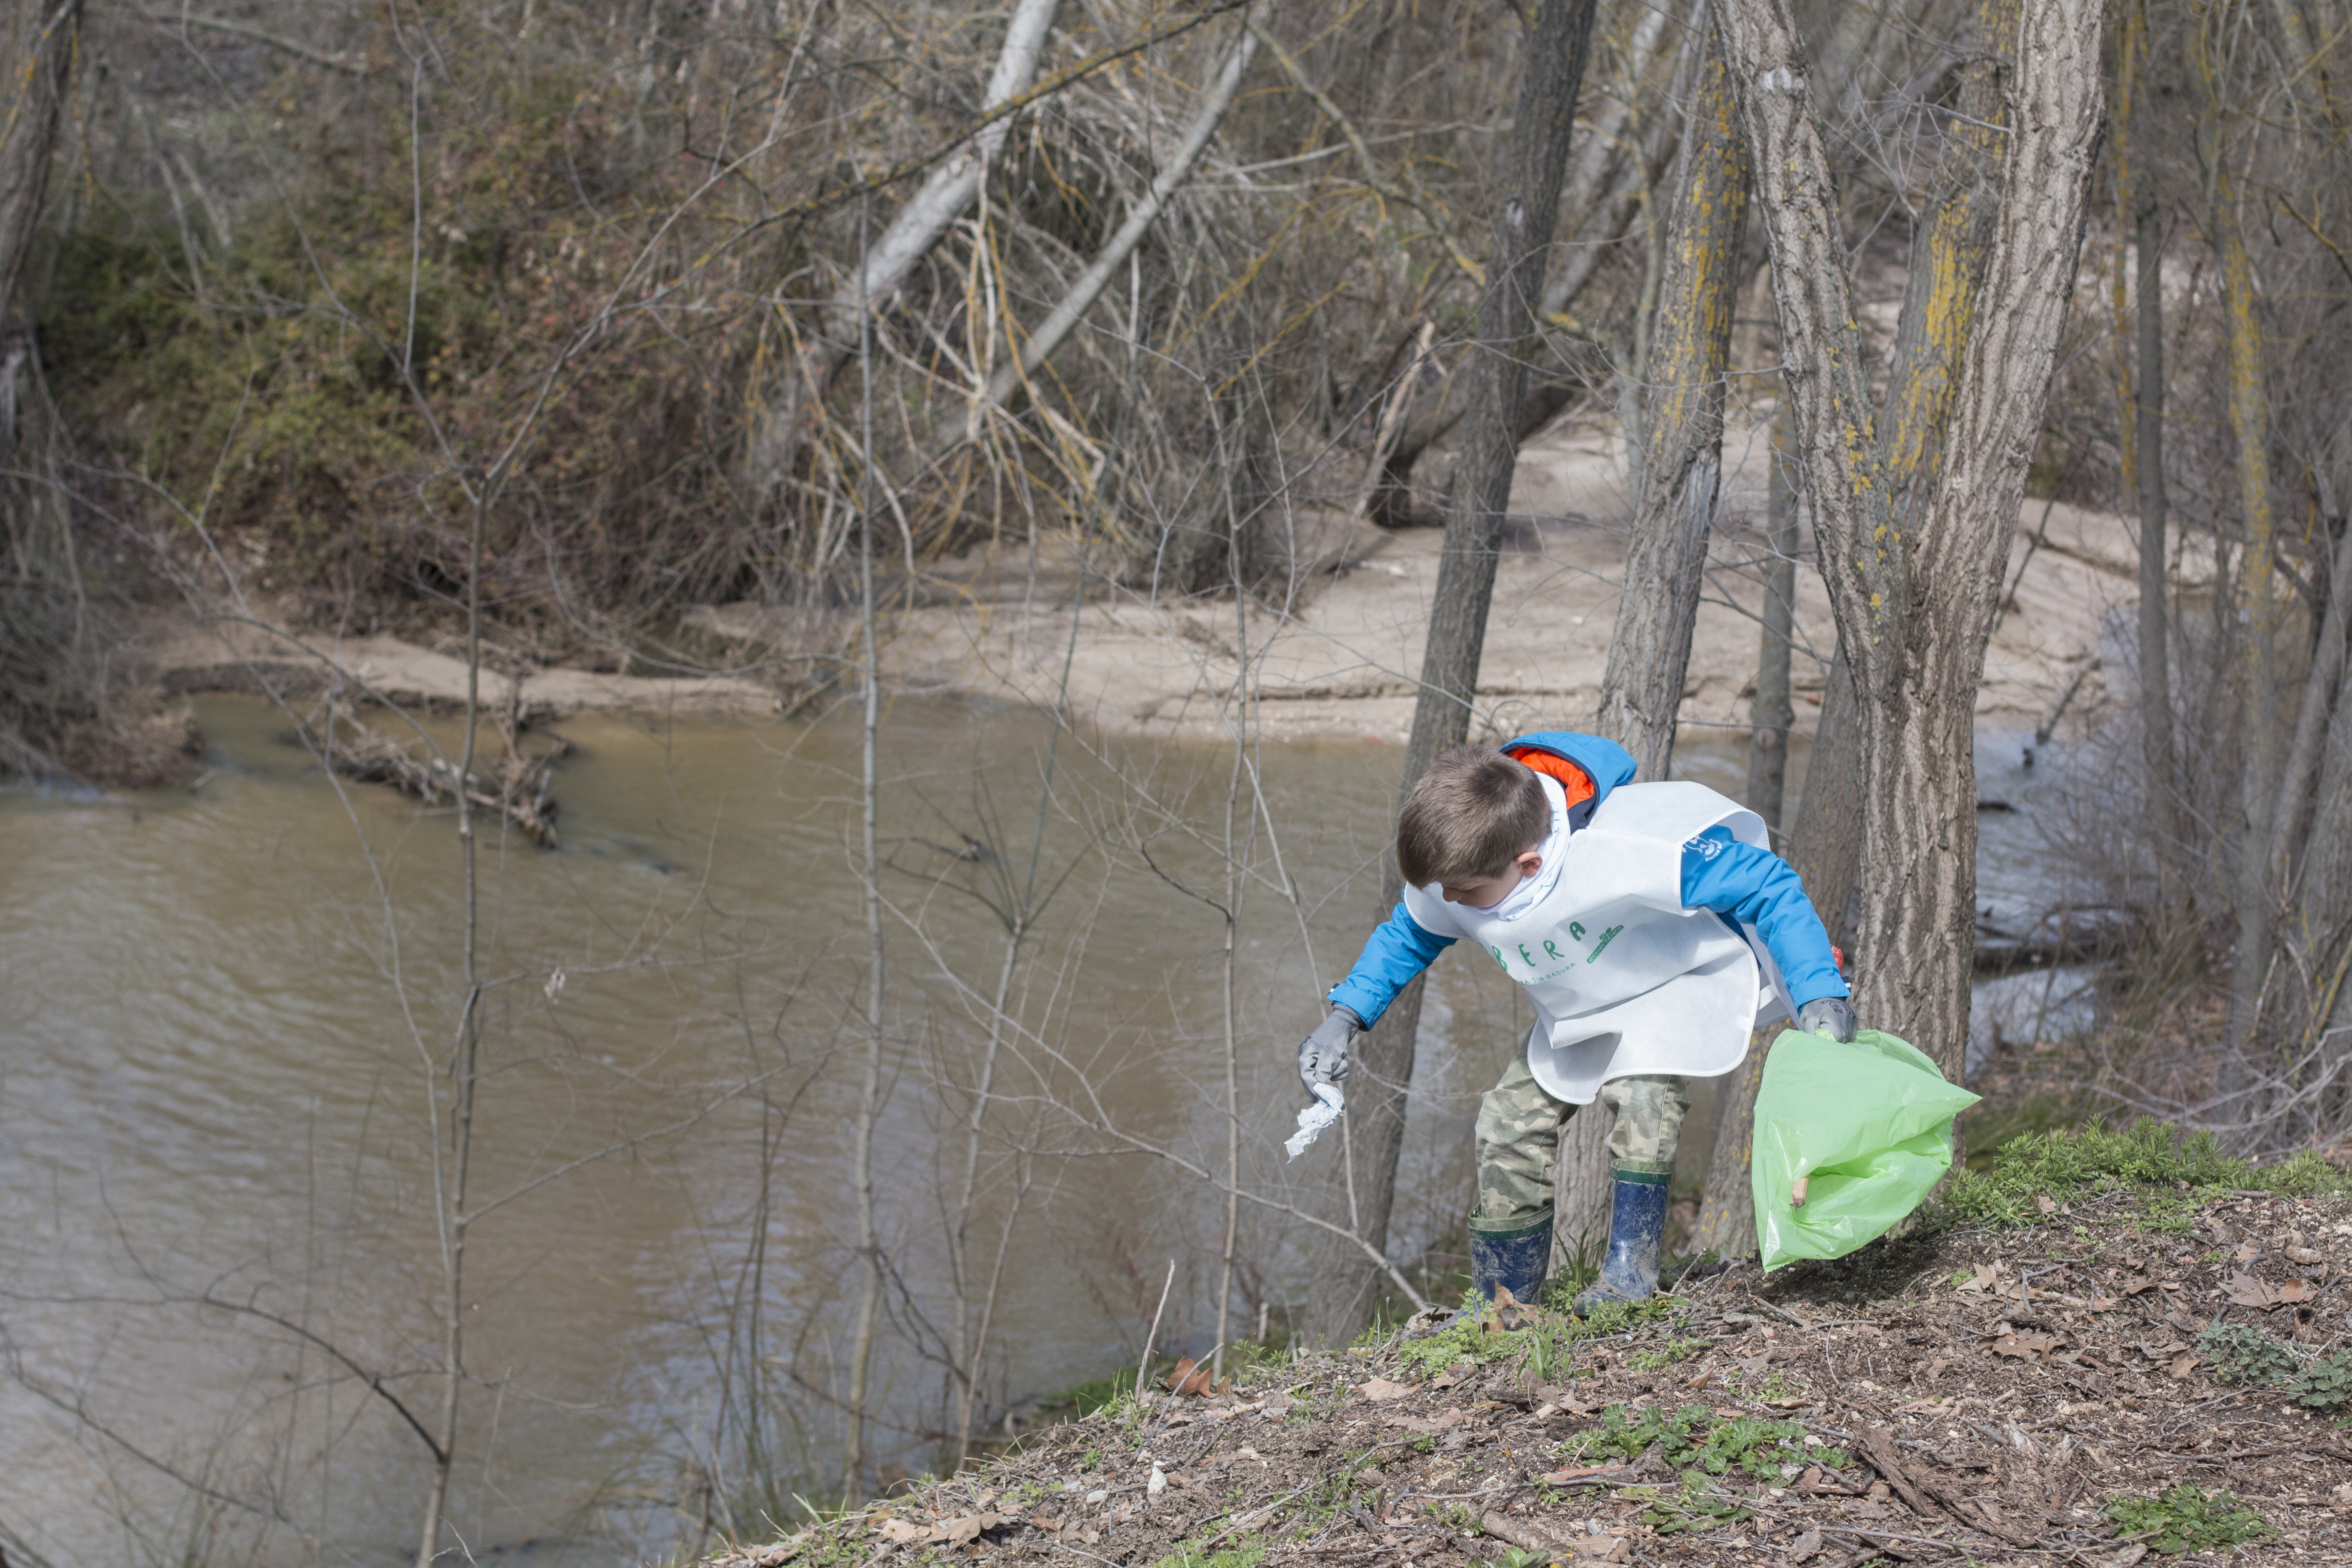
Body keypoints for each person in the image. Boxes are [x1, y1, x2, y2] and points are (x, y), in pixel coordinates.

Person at [1295, 732, 1856, 1313]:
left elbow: (1767, 884)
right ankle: (1503, 1304)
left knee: (1645, 1102)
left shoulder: (1632, 845)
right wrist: (1345, 1016)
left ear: (1528, 863)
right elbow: (1408, 935)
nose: (1451, 903)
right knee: (1506, 1122)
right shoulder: (1464, 872)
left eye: (1463, 893)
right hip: (1579, 1005)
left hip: (1668, 988)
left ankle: (1628, 1278)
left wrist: (1818, 991)